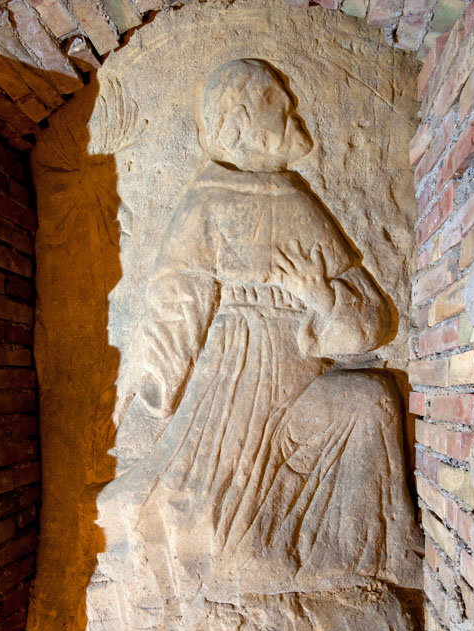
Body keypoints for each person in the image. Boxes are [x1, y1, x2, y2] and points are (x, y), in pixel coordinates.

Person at [101, 58, 421, 601]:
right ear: (241, 120)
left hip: (300, 379)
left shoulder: (298, 200)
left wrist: (320, 298)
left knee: (371, 399)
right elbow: (178, 303)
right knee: (221, 529)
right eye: (278, 103)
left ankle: (365, 555)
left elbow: (372, 319)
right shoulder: (207, 200)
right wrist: (155, 388)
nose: (292, 111)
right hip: (234, 396)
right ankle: (251, 553)